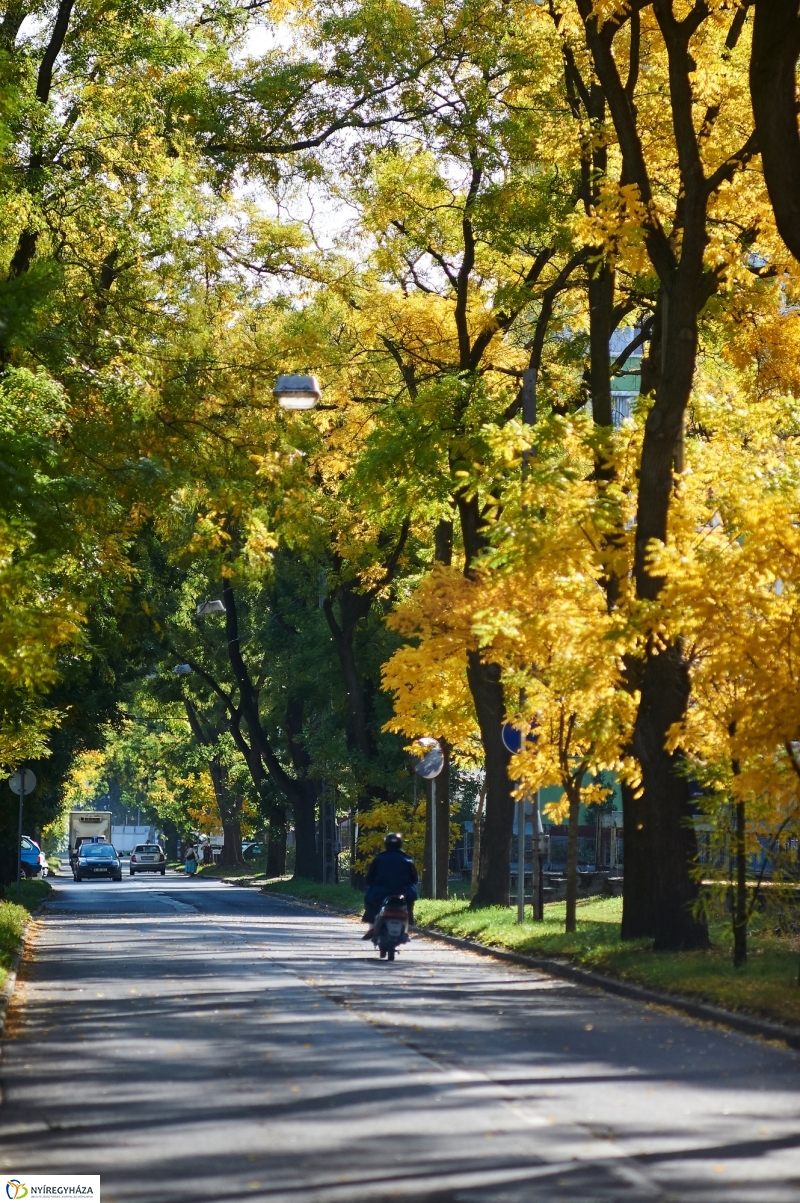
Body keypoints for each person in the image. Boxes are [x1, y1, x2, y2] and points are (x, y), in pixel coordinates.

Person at [362, 833, 418, 939]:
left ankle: (372, 926)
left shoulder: (379, 859)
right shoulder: (407, 859)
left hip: (380, 892)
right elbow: (414, 878)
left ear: (386, 844)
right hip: (404, 892)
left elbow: (370, 876)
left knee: (369, 901)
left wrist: (368, 882)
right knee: (409, 903)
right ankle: (408, 924)